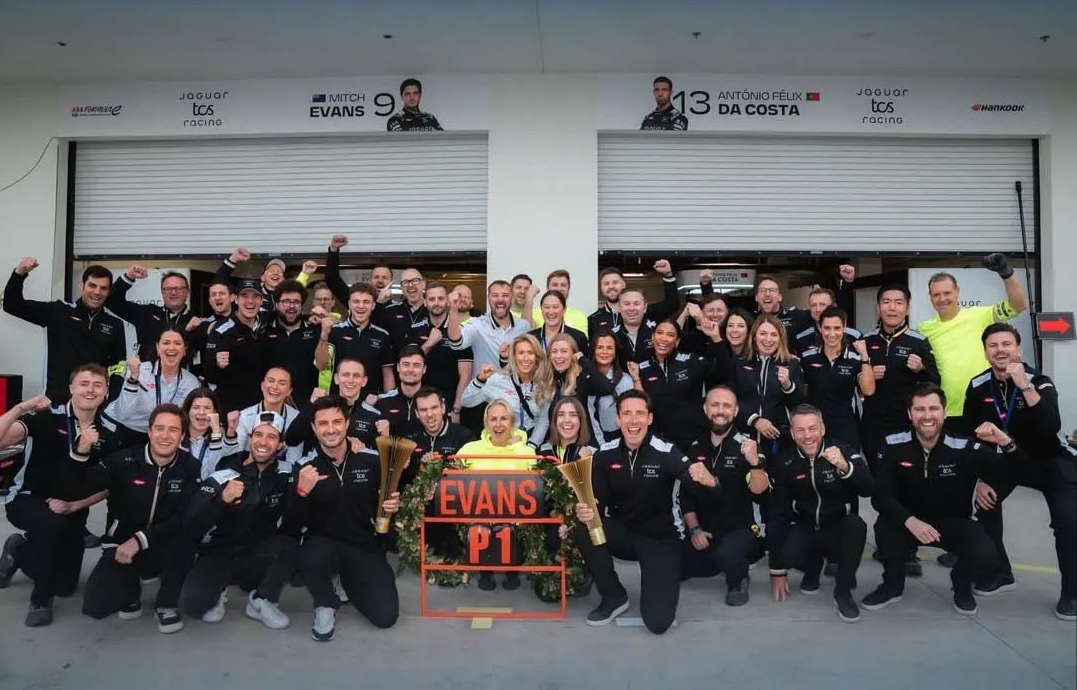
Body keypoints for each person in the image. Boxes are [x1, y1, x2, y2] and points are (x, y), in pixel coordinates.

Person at [863, 383, 1016, 616]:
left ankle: (961, 584)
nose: (927, 416)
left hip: (952, 522)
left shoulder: (964, 446)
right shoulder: (892, 444)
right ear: (910, 414)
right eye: (920, 409)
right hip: (909, 522)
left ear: (944, 413)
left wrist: (1005, 443)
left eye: (933, 409)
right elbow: (880, 496)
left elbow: (1017, 470)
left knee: (986, 554)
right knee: (885, 528)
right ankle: (892, 586)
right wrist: (910, 521)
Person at [959, 323, 1076, 620]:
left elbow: (1051, 425)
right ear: (985, 352)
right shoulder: (978, 385)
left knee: (1068, 522)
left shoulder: (1039, 381)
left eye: (1006, 344)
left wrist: (1024, 385)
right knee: (984, 504)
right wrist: (979, 479)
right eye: (993, 345)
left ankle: (1072, 593)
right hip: (1008, 461)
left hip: (1048, 461)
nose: (1000, 350)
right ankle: (1000, 572)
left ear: (1018, 349)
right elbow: (969, 436)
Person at [573, 390, 704, 633]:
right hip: (624, 534)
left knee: (658, 623)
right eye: (627, 414)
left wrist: (708, 480)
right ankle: (614, 596)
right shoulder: (605, 454)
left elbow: (698, 488)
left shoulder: (667, 452)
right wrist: (586, 510)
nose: (634, 420)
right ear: (618, 419)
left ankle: (656, 579)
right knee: (585, 528)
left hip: (661, 540)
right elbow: (598, 501)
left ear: (649, 418)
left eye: (640, 414)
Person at [0, 364, 121, 626]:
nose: (90, 390)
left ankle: (19, 550)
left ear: (106, 392)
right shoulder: (44, 417)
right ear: (71, 388)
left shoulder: (109, 433)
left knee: (65, 586)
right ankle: (40, 600)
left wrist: (74, 505)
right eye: (84, 384)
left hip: (72, 506)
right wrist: (20, 408)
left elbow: (110, 485)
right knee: (50, 524)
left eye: (97, 385)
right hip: (28, 498)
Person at [81, 403, 201, 634]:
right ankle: (131, 593)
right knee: (96, 606)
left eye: (173, 430)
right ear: (149, 431)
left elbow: (184, 517)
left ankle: (166, 603)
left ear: (182, 436)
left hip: (163, 541)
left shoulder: (190, 467)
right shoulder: (122, 461)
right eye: (159, 428)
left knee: (186, 540)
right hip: (122, 543)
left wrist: (141, 539)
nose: (165, 436)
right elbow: (82, 484)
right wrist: (81, 454)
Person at [291, 396, 401, 642]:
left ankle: (347, 580)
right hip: (323, 544)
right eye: (323, 423)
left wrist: (391, 506)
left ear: (347, 423)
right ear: (313, 428)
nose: (331, 429)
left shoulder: (372, 459)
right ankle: (325, 602)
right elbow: (291, 523)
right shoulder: (304, 467)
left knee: (385, 617)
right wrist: (301, 493)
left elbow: (385, 502)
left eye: (337, 422)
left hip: (362, 544)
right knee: (312, 557)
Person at [180, 411, 298, 630]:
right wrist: (222, 500)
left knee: (290, 545)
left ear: (280, 444)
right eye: (258, 435)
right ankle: (219, 589)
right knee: (195, 606)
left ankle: (261, 599)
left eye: (271, 437)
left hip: (257, 555)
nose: (263, 442)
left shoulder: (288, 473)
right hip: (220, 551)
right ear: (250, 438)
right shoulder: (224, 472)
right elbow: (192, 524)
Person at [767, 405, 874, 623]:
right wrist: (777, 569)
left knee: (856, 525)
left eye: (812, 428)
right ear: (792, 433)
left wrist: (845, 467)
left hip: (837, 527)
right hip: (806, 526)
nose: (807, 436)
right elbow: (778, 513)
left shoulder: (843, 450)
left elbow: (868, 488)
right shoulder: (786, 461)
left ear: (822, 429)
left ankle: (843, 591)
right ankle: (812, 567)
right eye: (800, 430)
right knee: (787, 553)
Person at [680, 386, 768, 607]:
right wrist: (695, 529)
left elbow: (760, 491)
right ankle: (715, 561)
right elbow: (686, 496)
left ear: (735, 411)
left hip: (742, 528)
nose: (720, 411)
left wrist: (755, 463)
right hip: (706, 529)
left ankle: (739, 578)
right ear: (705, 408)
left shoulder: (748, 446)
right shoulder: (694, 447)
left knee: (726, 556)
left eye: (727, 406)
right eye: (715, 405)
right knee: (674, 562)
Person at [914, 254, 1029, 420]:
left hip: (985, 407)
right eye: (936, 294)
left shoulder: (981, 315)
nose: (942, 299)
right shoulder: (923, 329)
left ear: (957, 292)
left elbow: (1019, 305)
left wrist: (1007, 274)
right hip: (947, 411)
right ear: (930, 297)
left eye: (947, 293)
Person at [3, 258, 126, 402]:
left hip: (94, 404)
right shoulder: (58, 311)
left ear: (109, 291)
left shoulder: (115, 324)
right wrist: (19, 273)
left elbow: (118, 365)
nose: (97, 292)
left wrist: (112, 399)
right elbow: (12, 305)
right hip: (57, 402)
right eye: (92, 285)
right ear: (82, 285)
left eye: (103, 288)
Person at [456, 398, 537, 591]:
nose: (498, 424)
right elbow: (451, 477)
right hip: (478, 513)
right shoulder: (470, 449)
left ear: (512, 422)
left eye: (503, 418)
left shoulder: (526, 451)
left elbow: (537, 486)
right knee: (479, 527)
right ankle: (485, 571)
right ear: (486, 423)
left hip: (515, 515)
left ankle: (512, 571)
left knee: (508, 528)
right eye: (493, 419)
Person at [636, 319, 730, 452]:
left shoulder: (692, 361)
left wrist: (716, 338)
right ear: (653, 337)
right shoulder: (642, 369)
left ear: (677, 341)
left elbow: (722, 373)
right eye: (660, 333)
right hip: (659, 442)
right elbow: (641, 403)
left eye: (670, 335)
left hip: (693, 441)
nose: (664, 338)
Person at [104, 327, 201, 447]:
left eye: (177, 343)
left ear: (185, 349)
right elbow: (122, 414)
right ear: (157, 348)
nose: (171, 347)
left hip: (158, 434)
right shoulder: (139, 371)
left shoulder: (191, 382)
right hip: (122, 427)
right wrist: (133, 379)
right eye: (166, 343)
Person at [799, 306, 875, 449]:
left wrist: (865, 357)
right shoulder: (807, 358)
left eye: (837, 328)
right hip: (815, 430)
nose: (832, 334)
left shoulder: (854, 359)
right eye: (827, 328)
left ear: (844, 328)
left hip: (846, 428)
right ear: (820, 328)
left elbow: (868, 390)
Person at [731, 314, 806, 457]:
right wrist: (755, 420)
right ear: (754, 336)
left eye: (774, 335)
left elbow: (799, 403)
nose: (768, 339)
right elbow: (731, 398)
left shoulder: (791, 363)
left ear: (781, 338)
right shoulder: (739, 362)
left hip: (778, 437)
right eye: (763, 334)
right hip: (744, 433)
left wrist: (787, 385)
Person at [461, 334, 552, 448]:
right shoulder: (498, 379)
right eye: (521, 353)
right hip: (502, 443)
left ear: (537, 357)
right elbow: (466, 401)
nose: (526, 358)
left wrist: (531, 446)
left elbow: (543, 420)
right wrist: (480, 380)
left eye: (530, 353)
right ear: (513, 356)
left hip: (530, 442)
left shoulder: (543, 383)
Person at [315, 282, 395, 399]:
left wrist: (388, 400)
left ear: (373, 305)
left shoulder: (382, 335)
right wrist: (323, 336)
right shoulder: (335, 331)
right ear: (349, 304)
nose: (361, 306)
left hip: (370, 402)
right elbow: (321, 365)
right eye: (356, 301)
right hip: (338, 401)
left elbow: (387, 373)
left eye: (366, 302)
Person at [286, 359, 383, 452]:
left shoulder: (374, 414)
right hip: (317, 462)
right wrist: (311, 405)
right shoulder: (320, 407)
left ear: (364, 381)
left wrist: (365, 446)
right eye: (345, 375)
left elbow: (377, 455)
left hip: (357, 463)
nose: (350, 380)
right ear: (336, 378)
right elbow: (291, 439)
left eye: (356, 376)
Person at [107, 266, 201, 362]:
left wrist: (187, 331)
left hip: (181, 371)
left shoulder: (196, 322)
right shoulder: (147, 313)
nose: (173, 292)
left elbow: (195, 356)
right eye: (168, 289)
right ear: (162, 292)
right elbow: (111, 301)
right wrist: (128, 277)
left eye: (179, 288)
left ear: (187, 292)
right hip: (147, 371)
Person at [204, 278, 269, 415]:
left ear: (261, 301)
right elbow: (208, 373)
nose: (250, 301)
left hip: (261, 406)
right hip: (231, 408)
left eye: (255, 296)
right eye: (244, 296)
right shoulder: (221, 330)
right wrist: (217, 364)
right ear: (236, 299)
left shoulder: (266, 323)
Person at [411, 281, 473, 424]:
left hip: (450, 404)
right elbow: (410, 364)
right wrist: (429, 344)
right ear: (425, 302)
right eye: (432, 299)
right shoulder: (415, 329)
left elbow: (466, 376)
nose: (436, 303)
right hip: (421, 404)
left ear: (448, 301)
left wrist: (457, 408)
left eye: (440, 298)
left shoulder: (461, 331)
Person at [447, 280, 535, 371]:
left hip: (513, 380)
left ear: (512, 298)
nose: (500, 299)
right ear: (488, 298)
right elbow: (456, 344)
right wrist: (453, 309)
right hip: (483, 380)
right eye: (495, 295)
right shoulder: (477, 324)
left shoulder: (523, 326)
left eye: (505, 295)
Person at [545, 334, 617, 441]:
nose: (558, 356)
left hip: (586, 443)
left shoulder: (583, 377)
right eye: (554, 351)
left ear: (573, 354)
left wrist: (583, 360)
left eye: (564, 351)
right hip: (561, 443)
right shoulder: (552, 380)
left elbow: (606, 388)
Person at [226, 367, 301, 466]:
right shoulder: (245, 416)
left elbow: (293, 461)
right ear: (262, 385)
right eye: (271, 381)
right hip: (248, 469)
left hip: (281, 472)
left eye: (282, 383)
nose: (275, 386)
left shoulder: (297, 418)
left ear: (289, 391)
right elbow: (236, 456)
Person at [265, 280, 322, 406]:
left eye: (296, 302)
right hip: (272, 400)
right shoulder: (264, 328)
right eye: (286, 301)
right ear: (276, 304)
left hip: (307, 402)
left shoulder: (315, 329)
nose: (291, 306)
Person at [588, 261, 679, 337]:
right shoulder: (593, 320)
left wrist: (668, 275)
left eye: (615, 282)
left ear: (624, 284)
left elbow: (672, 305)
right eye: (606, 284)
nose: (611, 286)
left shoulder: (643, 310)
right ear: (601, 288)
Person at [587, 331, 641, 446]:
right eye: (600, 347)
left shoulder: (625, 381)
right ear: (593, 351)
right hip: (591, 442)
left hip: (620, 441)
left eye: (609, 348)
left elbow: (638, 409)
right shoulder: (585, 378)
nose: (604, 352)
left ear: (615, 353)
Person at [792, 286, 862, 357]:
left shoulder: (855, 336)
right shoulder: (801, 338)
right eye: (813, 305)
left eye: (822, 304)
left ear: (834, 306)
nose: (818, 309)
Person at [375, 345, 427, 437]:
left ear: (424, 369)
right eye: (406, 364)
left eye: (416, 365)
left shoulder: (434, 402)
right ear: (398, 367)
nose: (410, 370)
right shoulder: (381, 401)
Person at [180, 387, 230, 479]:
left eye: (207, 408)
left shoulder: (224, 441)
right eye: (196, 407)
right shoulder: (177, 438)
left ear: (215, 412)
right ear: (188, 411)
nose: (202, 412)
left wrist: (216, 433)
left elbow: (217, 471)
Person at [380, 267, 427, 352]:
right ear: (401, 288)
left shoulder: (434, 310)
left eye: (415, 280)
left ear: (423, 284)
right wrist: (379, 302)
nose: (410, 285)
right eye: (405, 282)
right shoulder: (390, 311)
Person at [530, 270, 590, 335]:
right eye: (555, 285)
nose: (559, 289)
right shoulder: (533, 313)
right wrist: (529, 296)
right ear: (547, 288)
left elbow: (581, 339)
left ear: (569, 288)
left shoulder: (579, 316)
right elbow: (526, 334)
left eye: (563, 285)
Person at [539, 397, 595, 463]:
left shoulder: (593, 454)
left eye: (573, 415)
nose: (567, 420)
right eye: (561, 415)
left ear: (581, 421)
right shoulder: (543, 452)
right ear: (555, 421)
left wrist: (587, 462)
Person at [531, 290, 588, 354]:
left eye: (555, 307)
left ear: (564, 309)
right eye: (547, 307)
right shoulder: (531, 337)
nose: (551, 312)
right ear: (541, 309)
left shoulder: (578, 338)